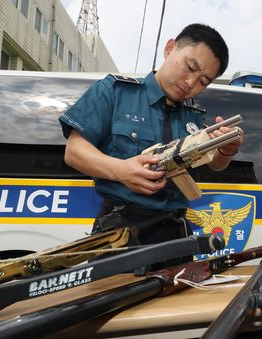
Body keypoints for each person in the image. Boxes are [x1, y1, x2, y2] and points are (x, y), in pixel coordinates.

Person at [59, 23, 243, 268]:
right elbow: (74, 151)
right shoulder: (115, 91)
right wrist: (121, 170)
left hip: (175, 233)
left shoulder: (195, 116)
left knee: (177, 303)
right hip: (118, 232)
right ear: (169, 49)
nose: (190, 83)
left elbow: (215, 165)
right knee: (116, 304)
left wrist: (226, 150)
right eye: (190, 67)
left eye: (203, 81)